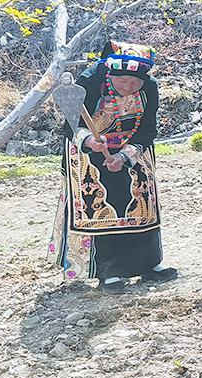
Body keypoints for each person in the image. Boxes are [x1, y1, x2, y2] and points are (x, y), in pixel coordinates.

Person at [51, 40, 178, 289]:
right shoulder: (90, 81)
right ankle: (109, 271)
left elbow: (148, 129)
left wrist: (124, 157)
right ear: (110, 73)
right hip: (90, 153)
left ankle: (149, 263)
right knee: (103, 207)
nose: (128, 88)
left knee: (140, 202)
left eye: (135, 83)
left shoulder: (150, 87)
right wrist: (90, 140)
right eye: (123, 81)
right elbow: (71, 125)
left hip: (133, 149)